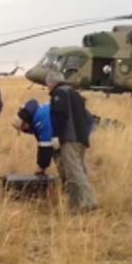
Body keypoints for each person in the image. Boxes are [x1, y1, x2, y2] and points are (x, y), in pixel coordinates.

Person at [46, 71, 98, 212]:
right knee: (78, 170)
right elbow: (88, 117)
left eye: (48, 85)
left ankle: (88, 202)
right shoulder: (75, 94)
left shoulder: (59, 94)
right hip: (81, 138)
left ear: (52, 83)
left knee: (74, 172)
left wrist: (57, 135)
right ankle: (75, 206)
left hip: (69, 139)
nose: (48, 88)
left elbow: (60, 116)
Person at [16, 99, 55, 174]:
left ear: (25, 122)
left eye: (23, 128)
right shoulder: (35, 114)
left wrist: (41, 168)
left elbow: (45, 145)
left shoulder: (40, 120)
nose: (24, 130)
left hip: (73, 134)